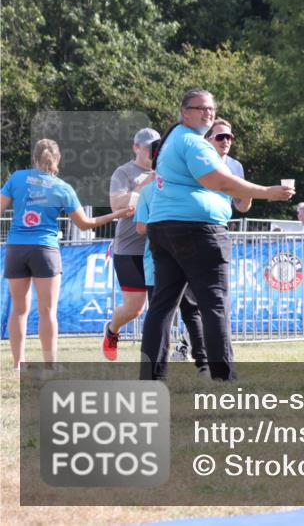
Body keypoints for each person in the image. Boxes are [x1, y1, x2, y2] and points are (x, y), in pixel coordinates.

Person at [140, 90, 294, 381]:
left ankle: (151, 378)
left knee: (162, 307)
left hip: (166, 228)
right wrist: (267, 193)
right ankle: (224, 376)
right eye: (201, 109)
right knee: (214, 304)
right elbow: (217, 180)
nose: (208, 113)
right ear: (185, 113)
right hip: (197, 230)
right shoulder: (191, 142)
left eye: (211, 108)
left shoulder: (177, 139)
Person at [2, 139, 133, 370]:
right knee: (47, 311)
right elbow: (85, 224)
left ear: (33, 158)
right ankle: (50, 366)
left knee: (19, 309)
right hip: (45, 250)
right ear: (58, 160)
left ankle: (18, 364)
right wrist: (117, 214)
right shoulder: (62, 188)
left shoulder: (17, 178)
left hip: (16, 248)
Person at [133, 162, 209, 376]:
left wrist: (162, 226)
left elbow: (141, 227)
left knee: (172, 313)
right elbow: (140, 227)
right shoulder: (176, 188)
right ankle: (200, 364)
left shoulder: (150, 190)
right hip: (167, 259)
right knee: (179, 313)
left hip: (168, 259)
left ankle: (199, 363)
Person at [103, 127, 160, 360]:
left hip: (158, 248)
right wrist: (145, 183)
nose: (153, 153)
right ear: (136, 148)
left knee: (161, 305)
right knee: (134, 308)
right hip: (129, 248)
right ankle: (112, 330)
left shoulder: (167, 170)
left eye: (157, 148)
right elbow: (116, 206)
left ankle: (156, 354)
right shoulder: (124, 172)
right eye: (149, 148)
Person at [205, 118, 251, 213]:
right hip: (191, 221)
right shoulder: (196, 160)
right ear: (207, 139)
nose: (225, 141)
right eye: (220, 137)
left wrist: (249, 195)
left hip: (219, 223)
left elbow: (241, 206)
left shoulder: (236, 166)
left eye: (229, 137)